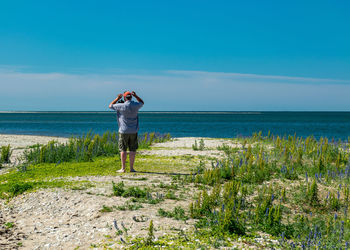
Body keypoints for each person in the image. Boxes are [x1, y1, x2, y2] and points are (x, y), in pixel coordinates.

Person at [109, 91, 144, 173]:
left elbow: (110, 106)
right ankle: (131, 168)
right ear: (131, 97)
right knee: (132, 149)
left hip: (123, 130)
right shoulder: (135, 105)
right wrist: (136, 96)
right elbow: (142, 102)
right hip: (133, 130)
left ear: (125, 98)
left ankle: (123, 168)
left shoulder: (121, 106)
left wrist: (117, 98)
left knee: (123, 149)